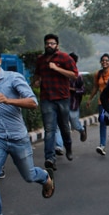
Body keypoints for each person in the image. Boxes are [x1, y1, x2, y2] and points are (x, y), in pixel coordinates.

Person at [0, 46, 55, 215]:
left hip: (18, 138)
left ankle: (45, 177)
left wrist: (9, 101)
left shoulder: (13, 78)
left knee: (29, 176)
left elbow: (32, 102)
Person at [33, 33, 78, 170]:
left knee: (64, 127)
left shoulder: (65, 58)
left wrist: (57, 68)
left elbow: (74, 75)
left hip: (63, 98)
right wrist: (35, 82)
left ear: (57, 45)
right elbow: (37, 74)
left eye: (52, 43)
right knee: (49, 129)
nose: (49, 46)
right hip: (47, 98)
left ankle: (68, 147)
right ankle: (50, 158)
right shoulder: (41, 59)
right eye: (47, 43)